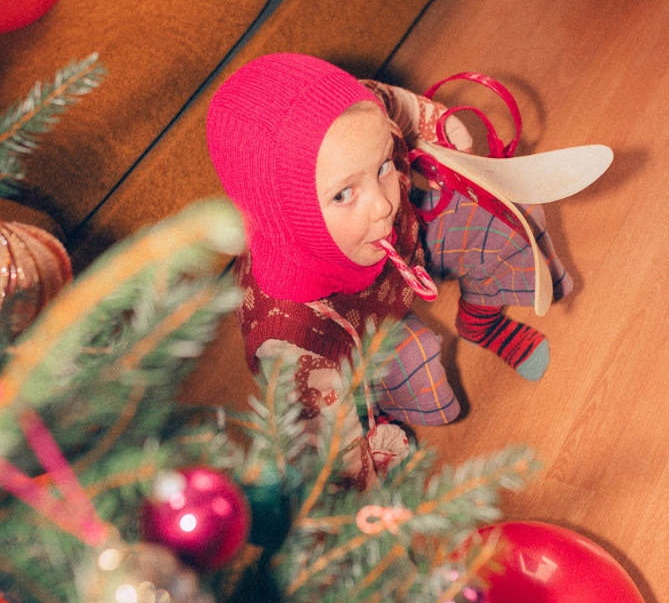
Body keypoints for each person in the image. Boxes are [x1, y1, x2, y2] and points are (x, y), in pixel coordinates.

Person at [206, 53, 571, 488]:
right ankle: (376, 412)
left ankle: (481, 323)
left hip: (400, 255)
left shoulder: (359, 127)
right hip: (347, 331)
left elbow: (392, 103)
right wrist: (362, 486)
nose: (383, 204)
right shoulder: (291, 339)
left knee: (508, 221)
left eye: (382, 167)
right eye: (344, 194)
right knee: (415, 359)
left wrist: (439, 126)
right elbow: (325, 454)